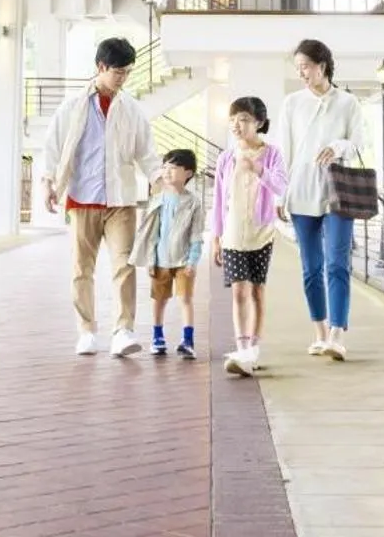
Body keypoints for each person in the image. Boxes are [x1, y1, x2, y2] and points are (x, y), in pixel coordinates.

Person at [39, 36, 163, 358]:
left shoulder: (132, 109)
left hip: (120, 201)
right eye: (118, 72)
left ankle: (123, 331)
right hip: (82, 199)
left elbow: (146, 152)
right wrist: (48, 182)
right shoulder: (72, 107)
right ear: (101, 67)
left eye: (127, 72)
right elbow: (52, 147)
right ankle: (86, 331)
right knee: (82, 269)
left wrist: (158, 178)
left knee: (124, 265)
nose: (123, 78)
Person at [275, 38, 368, 361]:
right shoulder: (292, 103)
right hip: (301, 191)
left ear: (322, 66)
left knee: (337, 263)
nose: (301, 73)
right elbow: (283, 152)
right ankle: (319, 332)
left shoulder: (347, 102)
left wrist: (338, 146)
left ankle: (337, 334)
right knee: (311, 268)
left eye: (306, 67)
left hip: (337, 192)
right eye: (298, 68)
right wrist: (280, 194)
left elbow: (358, 143)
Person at [209, 95, 287, 376]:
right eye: (232, 120)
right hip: (232, 234)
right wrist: (216, 237)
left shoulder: (272, 154)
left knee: (256, 290)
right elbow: (218, 199)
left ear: (259, 123)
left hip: (261, 233)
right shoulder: (225, 158)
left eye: (243, 119)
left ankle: (253, 348)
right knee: (239, 290)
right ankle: (242, 349)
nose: (236, 125)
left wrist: (258, 168)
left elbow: (281, 186)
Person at [132, 147, 205, 358]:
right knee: (159, 299)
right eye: (164, 167)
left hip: (184, 262)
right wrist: (150, 260)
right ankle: (157, 337)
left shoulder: (193, 203)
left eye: (173, 168)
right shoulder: (157, 200)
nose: (166, 172)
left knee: (186, 299)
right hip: (160, 261)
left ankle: (188, 341)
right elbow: (152, 234)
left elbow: (196, 234)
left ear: (188, 173)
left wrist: (192, 261)